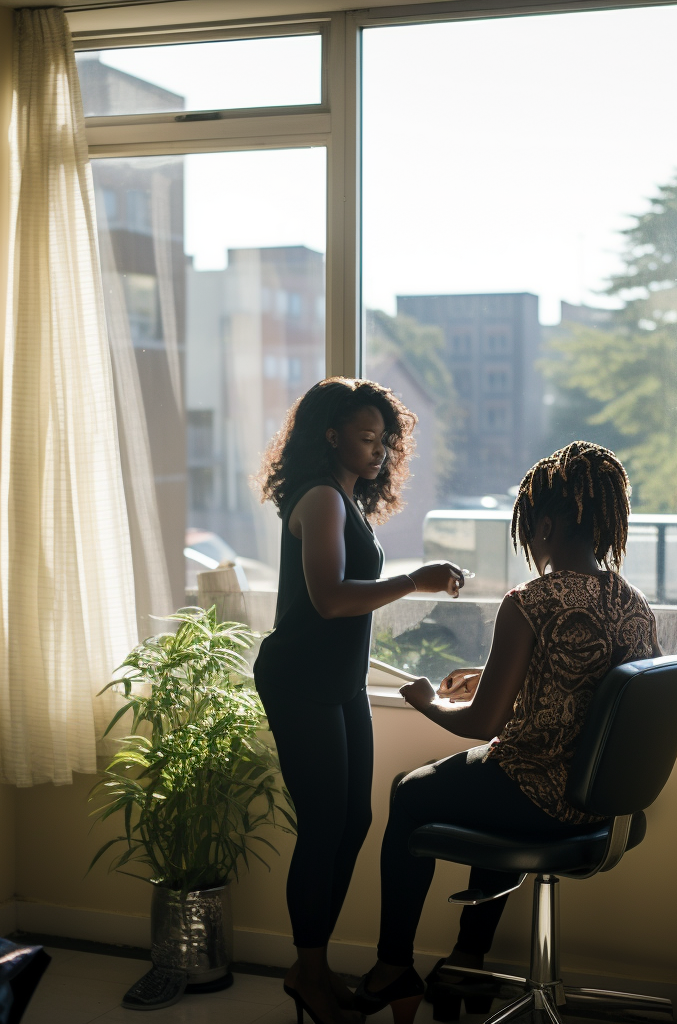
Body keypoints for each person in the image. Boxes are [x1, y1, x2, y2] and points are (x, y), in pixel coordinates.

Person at [353, 441, 662, 1024]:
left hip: (542, 800)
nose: (531, 546)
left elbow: (482, 725)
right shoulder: (632, 604)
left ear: (543, 524)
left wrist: (425, 703)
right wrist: (497, 677)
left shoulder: (532, 600)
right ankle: (466, 961)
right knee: (492, 779)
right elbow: (586, 690)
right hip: (605, 807)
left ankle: (393, 966)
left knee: (411, 791)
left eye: (532, 531)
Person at [253, 377, 465, 1024]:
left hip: (340, 683)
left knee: (355, 823)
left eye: (384, 440)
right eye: (367, 437)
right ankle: (309, 973)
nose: (378, 451)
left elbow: (345, 610)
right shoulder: (319, 499)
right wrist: (415, 580)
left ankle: (309, 968)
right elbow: (330, 600)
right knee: (324, 826)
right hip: (300, 681)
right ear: (330, 434)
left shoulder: (347, 500)